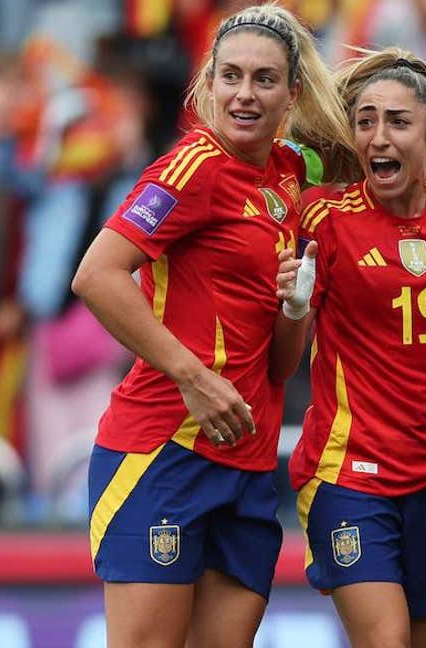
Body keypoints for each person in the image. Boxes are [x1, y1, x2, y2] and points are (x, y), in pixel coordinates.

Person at [71, 5, 354, 647]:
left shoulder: (288, 176)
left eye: (263, 79)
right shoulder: (191, 167)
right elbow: (96, 275)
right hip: (164, 447)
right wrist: (192, 376)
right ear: (208, 84)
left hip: (247, 459)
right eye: (230, 76)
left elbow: (282, 367)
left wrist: (296, 306)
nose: (244, 94)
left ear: (293, 94)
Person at [272, 48, 426, 648]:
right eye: (365, 120)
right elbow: (281, 363)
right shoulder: (321, 219)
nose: (379, 136)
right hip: (349, 472)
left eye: (399, 122)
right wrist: (294, 309)